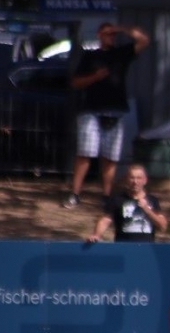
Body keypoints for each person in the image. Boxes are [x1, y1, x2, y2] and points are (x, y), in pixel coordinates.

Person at [63, 22, 151, 209]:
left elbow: (144, 40)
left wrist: (122, 29)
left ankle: (107, 195)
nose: (111, 37)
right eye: (107, 33)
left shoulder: (121, 54)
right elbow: (76, 82)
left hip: (115, 110)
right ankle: (75, 193)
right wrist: (95, 77)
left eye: (113, 34)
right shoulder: (90, 56)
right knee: (85, 153)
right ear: (99, 35)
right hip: (91, 110)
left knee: (110, 157)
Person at [87, 165, 167, 243]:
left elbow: (162, 226)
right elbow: (105, 220)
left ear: (145, 180)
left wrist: (147, 210)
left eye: (139, 178)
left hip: (147, 249)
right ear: (126, 180)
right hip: (124, 248)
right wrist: (96, 235)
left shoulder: (153, 200)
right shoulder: (117, 199)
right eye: (132, 178)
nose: (135, 182)